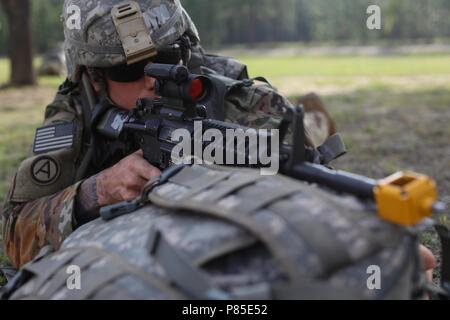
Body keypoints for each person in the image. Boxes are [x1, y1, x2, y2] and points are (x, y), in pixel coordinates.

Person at [1, 0, 435, 283]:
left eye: (166, 61)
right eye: (129, 73)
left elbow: (315, 187)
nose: (153, 81)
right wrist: (94, 192)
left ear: (186, 52)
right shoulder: (76, 113)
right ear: (94, 77)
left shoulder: (241, 100)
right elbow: (14, 236)